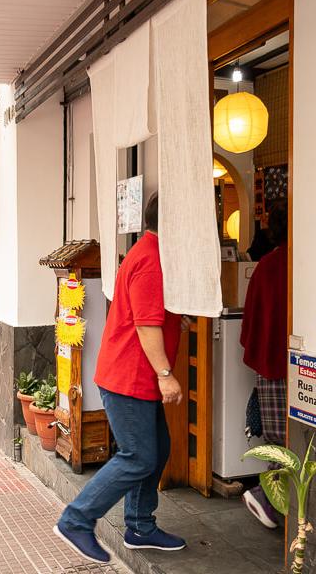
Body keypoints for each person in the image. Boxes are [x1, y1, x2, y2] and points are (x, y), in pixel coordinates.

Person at [53, 192, 187, 564]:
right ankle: (76, 520)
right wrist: (166, 374)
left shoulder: (147, 251)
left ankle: (140, 526)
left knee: (157, 450)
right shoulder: (151, 260)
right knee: (138, 456)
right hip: (129, 378)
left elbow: (150, 313)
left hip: (132, 376)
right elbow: (146, 324)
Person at [240, 199, 288, 529]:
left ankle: (268, 498)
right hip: (305, 366)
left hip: (270, 366)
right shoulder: (307, 262)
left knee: (277, 441)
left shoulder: (267, 266)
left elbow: (251, 323)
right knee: (300, 442)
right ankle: (269, 499)